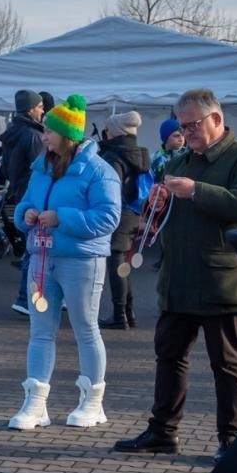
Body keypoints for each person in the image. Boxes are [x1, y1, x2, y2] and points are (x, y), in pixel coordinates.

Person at [114, 89, 237, 462]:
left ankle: (233, 438)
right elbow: (168, 213)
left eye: (192, 125)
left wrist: (196, 191)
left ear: (216, 119)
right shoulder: (180, 161)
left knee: (226, 363)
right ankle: (162, 430)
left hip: (221, 279)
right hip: (179, 277)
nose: (186, 133)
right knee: (168, 355)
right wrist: (158, 203)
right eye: (182, 127)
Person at [7, 95, 120, 431]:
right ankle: (35, 403)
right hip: (41, 259)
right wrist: (25, 214)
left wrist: (63, 218)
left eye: (49, 131)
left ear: (68, 135)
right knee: (40, 331)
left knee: (86, 328)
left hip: (82, 261)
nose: (44, 136)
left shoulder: (99, 171)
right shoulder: (40, 167)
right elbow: (24, 202)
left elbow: (108, 217)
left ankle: (92, 401)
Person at [96, 111, 150, 331]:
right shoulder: (139, 153)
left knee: (116, 263)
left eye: (107, 130)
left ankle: (119, 315)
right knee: (123, 262)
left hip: (119, 213)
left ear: (114, 132)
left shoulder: (114, 155)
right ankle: (128, 312)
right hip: (134, 213)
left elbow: (111, 188)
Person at [0, 90, 47, 315]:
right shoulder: (33, 136)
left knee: (33, 249)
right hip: (33, 197)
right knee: (35, 251)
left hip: (19, 193)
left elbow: (6, 168)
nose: (43, 110)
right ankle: (25, 299)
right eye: (40, 106)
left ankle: (33, 298)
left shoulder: (12, 132)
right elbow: (43, 169)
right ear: (30, 109)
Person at [151, 117, 186, 182]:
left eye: (183, 135)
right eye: (176, 136)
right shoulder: (155, 158)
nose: (181, 139)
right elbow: (148, 182)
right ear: (166, 138)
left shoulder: (188, 155)